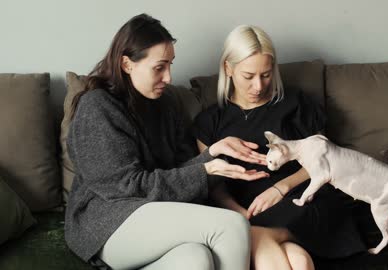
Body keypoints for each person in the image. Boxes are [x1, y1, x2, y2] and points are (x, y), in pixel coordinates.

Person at [65, 14, 270, 270]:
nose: (169, 77)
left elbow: (178, 171)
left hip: (151, 212)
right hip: (106, 221)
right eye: (159, 67)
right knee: (232, 225)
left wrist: (213, 154)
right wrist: (207, 169)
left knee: (195, 260)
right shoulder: (97, 107)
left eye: (170, 65)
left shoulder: (166, 105)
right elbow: (127, 186)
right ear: (127, 64)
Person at [193, 25, 368, 270]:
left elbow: (326, 160)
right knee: (297, 260)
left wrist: (280, 188)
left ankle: (259, 232)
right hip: (247, 209)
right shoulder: (209, 121)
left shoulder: (296, 104)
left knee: (255, 236)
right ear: (228, 69)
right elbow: (212, 181)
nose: (258, 85)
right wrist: (238, 212)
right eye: (249, 76)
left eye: (266, 74)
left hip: (303, 198)